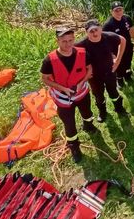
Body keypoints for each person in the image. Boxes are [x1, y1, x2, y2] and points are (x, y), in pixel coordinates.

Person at [40, 26, 96, 163]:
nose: (68, 44)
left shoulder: (82, 53)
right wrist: (62, 88)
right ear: (57, 41)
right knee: (69, 124)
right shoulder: (49, 60)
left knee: (87, 112)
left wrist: (82, 81)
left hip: (81, 92)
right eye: (64, 41)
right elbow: (45, 78)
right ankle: (74, 147)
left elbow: (89, 69)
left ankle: (88, 125)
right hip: (63, 98)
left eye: (71, 40)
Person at [76, 19, 127, 122]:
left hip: (110, 71)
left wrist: (118, 60)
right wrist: (83, 73)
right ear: (86, 32)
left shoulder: (109, 36)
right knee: (99, 95)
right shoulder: (80, 44)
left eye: (96, 30)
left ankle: (119, 108)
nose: (95, 33)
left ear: (100, 29)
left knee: (113, 92)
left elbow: (123, 40)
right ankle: (102, 112)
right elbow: (72, 57)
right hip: (94, 76)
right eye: (91, 31)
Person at [103, 1, 134, 87]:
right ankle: (119, 79)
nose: (119, 12)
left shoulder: (127, 18)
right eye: (116, 10)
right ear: (111, 12)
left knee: (128, 61)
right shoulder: (108, 25)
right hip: (116, 49)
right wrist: (111, 54)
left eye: (120, 9)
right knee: (119, 64)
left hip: (128, 45)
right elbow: (104, 41)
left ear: (123, 10)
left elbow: (132, 30)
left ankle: (127, 75)